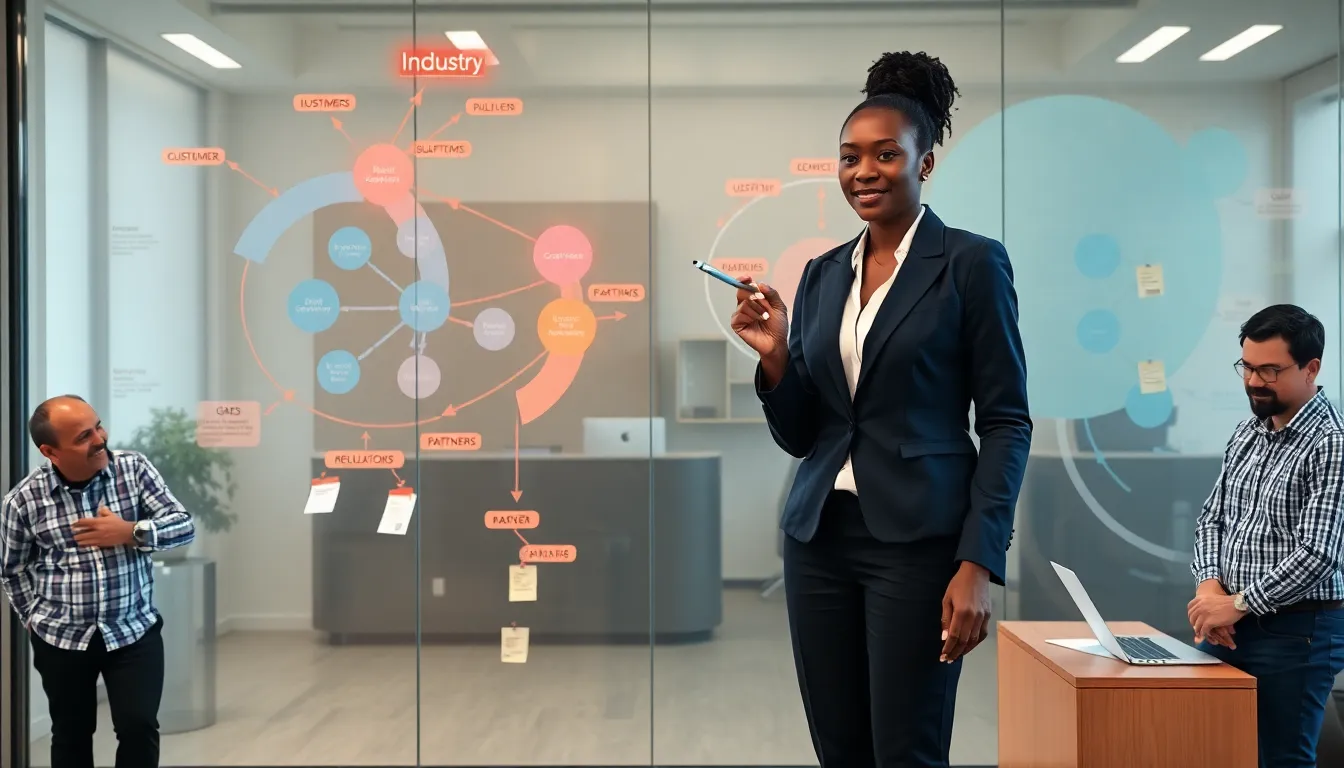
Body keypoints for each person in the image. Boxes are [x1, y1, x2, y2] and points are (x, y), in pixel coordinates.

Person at [731, 51, 1032, 767]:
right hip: (818, 540)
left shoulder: (971, 264)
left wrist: (978, 564)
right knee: (840, 750)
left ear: (923, 164)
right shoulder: (823, 272)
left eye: (885, 155)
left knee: (906, 750)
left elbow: (1005, 421)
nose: (862, 171)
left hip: (921, 546)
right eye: (848, 157)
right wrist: (776, 357)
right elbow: (805, 432)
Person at [0, 395, 195, 768]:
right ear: (50, 451)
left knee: (139, 727)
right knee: (71, 734)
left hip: (133, 631)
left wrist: (131, 531)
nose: (100, 439)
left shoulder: (133, 469)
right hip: (62, 638)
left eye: (98, 426)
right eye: (83, 436)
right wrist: (33, 620)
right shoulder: (22, 501)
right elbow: (13, 569)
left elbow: (184, 526)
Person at [1189, 304, 1344, 768]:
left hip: (1298, 629)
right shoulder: (1247, 432)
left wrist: (1236, 603)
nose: (1254, 381)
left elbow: (1318, 554)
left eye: (1269, 370)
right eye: (1248, 367)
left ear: (1311, 368)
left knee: (1281, 758)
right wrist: (1209, 587)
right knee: (1213, 750)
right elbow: (1211, 519)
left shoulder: (1331, 444)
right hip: (1227, 623)